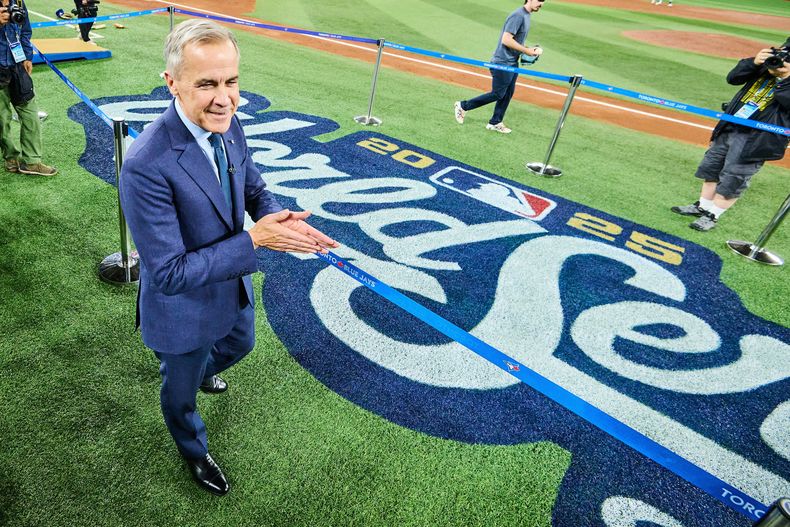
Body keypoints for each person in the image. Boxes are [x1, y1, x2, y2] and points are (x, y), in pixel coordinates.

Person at [118, 19, 339, 496]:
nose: (224, 98)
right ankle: (193, 451)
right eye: (207, 84)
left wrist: (279, 219)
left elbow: (252, 186)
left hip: (230, 284)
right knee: (179, 398)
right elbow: (170, 274)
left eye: (231, 81)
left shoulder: (228, 122)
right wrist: (257, 241)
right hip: (181, 309)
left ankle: (202, 373)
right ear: (171, 83)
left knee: (241, 346)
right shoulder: (144, 165)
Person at [672, 41, 790, 231]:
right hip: (732, 125)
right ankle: (702, 206)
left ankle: (713, 215)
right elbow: (733, 77)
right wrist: (755, 62)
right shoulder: (766, 66)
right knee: (712, 167)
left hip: (757, 137)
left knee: (735, 176)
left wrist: (785, 78)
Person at [453, 0, 545, 134]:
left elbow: (515, 40)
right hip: (502, 62)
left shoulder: (526, 15)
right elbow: (506, 39)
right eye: (539, 0)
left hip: (512, 62)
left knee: (508, 93)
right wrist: (527, 51)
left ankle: (495, 122)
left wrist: (527, 49)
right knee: (498, 93)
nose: (541, 3)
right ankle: (463, 106)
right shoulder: (518, 15)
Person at [0, 0, 57, 175]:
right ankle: (10, 158)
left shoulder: (18, 1)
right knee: (2, 120)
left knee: (30, 113)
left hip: (17, 66)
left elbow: (25, 30)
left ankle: (32, 162)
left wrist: (27, 57)